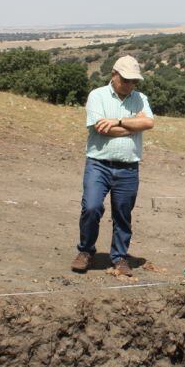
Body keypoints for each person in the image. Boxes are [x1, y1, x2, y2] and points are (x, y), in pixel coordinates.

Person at [71, 56, 154, 277]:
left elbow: (149, 123)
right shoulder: (97, 96)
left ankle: (119, 257)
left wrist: (117, 121)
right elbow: (100, 128)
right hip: (99, 164)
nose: (129, 85)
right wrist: (133, 125)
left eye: (133, 81)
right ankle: (86, 251)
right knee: (91, 207)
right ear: (114, 75)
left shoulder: (140, 98)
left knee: (123, 213)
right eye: (125, 80)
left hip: (128, 167)